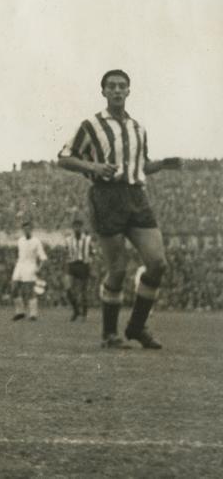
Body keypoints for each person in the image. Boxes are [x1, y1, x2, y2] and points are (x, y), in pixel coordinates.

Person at [57, 69, 183, 349]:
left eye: (122, 86)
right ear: (103, 91)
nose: (116, 90)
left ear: (129, 91)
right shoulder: (91, 125)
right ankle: (109, 334)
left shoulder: (138, 128)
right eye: (111, 86)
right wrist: (93, 166)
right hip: (106, 197)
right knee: (117, 269)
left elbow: (139, 167)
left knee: (157, 263)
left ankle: (136, 327)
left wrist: (162, 164)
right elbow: (64, 158)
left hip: (137, 197)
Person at [10, 221, 47, 321]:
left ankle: (33, 314)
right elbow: (19, 253)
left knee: (30, 290)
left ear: (31, 229)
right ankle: (20, 311)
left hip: (30, 266)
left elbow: (43, 258)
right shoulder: (20, 240)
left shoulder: (36, 241)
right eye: (24, 229)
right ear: (23, 230)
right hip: (20, 266)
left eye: (28, 229)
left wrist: (39, 268)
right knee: (14, 288)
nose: (26, 230)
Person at [64, 217, 93, 321]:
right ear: (73, 228)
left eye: (79, 226)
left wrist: (90, 264)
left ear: (82, 227)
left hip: (83, 265)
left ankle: (84, 314)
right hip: (72, 265)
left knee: (83, 291)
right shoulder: (68, 239)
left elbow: (92, 253)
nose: (77, 228)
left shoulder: (87, 239)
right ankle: (76, 310)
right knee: (67, 287)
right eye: (75, 226)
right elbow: (66, 252)